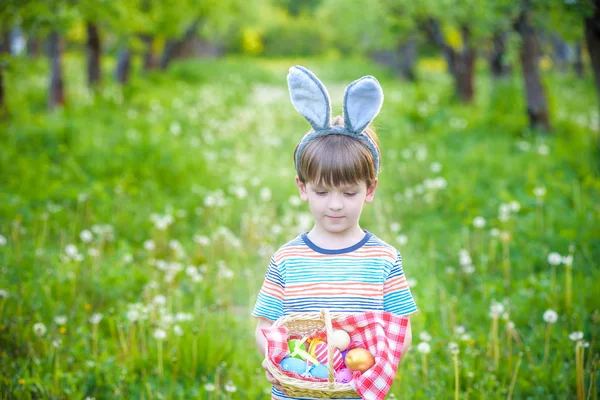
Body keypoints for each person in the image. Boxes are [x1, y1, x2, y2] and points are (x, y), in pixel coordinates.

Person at [252, 66, 418, 400]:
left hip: (355, 391)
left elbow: (401, 329)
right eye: (323, 192)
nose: (336, 205)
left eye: (349, 193)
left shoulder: (383, 258)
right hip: (297, 393)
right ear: (303, 188)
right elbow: (266, 326)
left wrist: (376, 364)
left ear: (370, 190)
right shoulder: (287, 259)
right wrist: (283, 362)